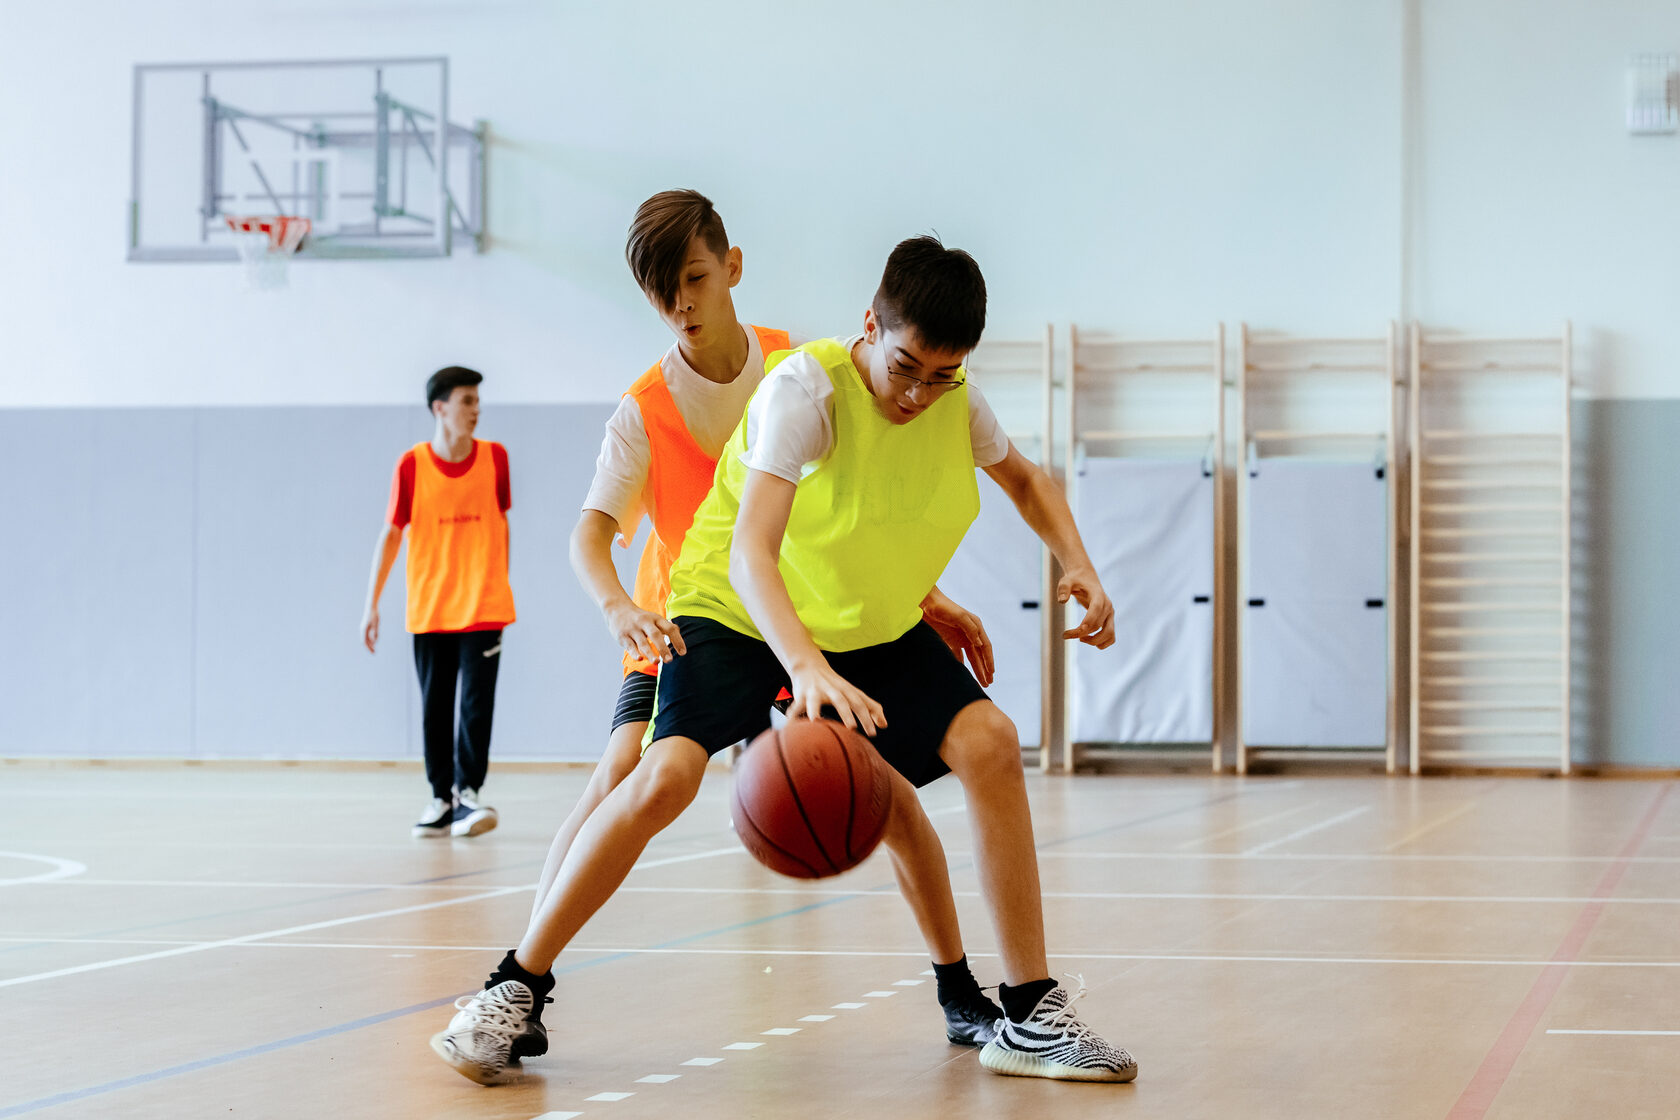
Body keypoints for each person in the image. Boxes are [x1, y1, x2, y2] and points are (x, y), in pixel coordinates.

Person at [432, 192, 1002, 1084]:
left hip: (805, 620)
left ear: (731, 266)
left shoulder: (799, 364)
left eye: (694, 278)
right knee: (633, 776)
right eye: (664, 293)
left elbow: (850, 512)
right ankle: (518, 989)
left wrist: (926, 594)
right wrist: (621, 607)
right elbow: (588, 534)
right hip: (687, 624)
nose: (683, 303)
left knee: (889, 797)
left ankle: (960, 988)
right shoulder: (644, 409)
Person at [360, 366, 513, 840]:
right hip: (430, 607)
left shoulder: (496, 458)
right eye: (467, 401)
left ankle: (469, 795)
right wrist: (373, 605)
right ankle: (440, 799)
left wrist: (495, 579)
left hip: (484, 606)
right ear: (440, 408)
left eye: (477, 401)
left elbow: (501, 525)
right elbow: (391, 535)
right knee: (435, 706)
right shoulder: (411, 465)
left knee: (474, 705)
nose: (476, 409)